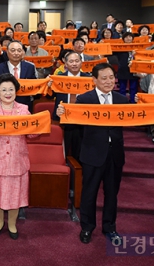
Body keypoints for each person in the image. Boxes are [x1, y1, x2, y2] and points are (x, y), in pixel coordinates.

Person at [56, 63, 127, 246]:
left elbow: (141, 117)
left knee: (112, 194)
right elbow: (72, 124)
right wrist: (63, 114)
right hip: (92, 154)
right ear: (94, 80)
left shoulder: (121, 99)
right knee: (89, 193)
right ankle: (87, 227)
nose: (108, 81)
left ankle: (110, 227)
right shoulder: (84, 100)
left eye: (111, 77)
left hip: (115, 155)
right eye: (104, 78)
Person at [0, 74, 33, 240]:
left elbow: (32, 134)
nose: (8, 92)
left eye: (11, 89)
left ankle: (12, 223)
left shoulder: (24, 110)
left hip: (17, 159)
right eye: (3, 89)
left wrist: (40, 123)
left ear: (16, 91)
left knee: (14, 194)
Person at [51, 51, 91, 160]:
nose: (74, 64)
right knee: (62, 153)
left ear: (81, 63)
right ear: (66, 64)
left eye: (77, 61)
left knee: (79, 152)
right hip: (62, 119)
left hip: (82, 120)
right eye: (71, 61)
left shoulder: (89, 79)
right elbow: (50, 96)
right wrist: (49, 86)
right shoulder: (59, 78)